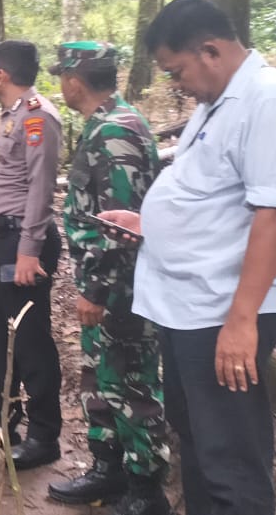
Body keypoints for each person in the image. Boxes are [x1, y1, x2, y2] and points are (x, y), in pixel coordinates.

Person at [100, 0, 276, 515]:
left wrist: (242, 323)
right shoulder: (215, 104)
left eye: (177, 70)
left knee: (230, 455)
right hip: (188, 307)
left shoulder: (270, 101)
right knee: (195, 437)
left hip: (225, 310)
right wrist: (148, 224)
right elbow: (210, 197)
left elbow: (274, 216)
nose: (176, 83)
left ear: (211, 50)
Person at [46, 42, 170, 515]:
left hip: (124, 288)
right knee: (102, 377)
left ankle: (146, 491)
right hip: (108, 284)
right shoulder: (104, 125)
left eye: (63, 76)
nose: (61, 83)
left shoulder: (116, 132)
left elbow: (122, 224)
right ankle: (109, 469)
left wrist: (96, 288)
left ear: (75, 81)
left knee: (132, 385)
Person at [0, 40, 63, 469]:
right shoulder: (12, 115)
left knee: (29, 340)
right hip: (2, 240)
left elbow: (42, 189)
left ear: (1, 74)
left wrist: (29, 252)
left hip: (25, 242)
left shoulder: (36, 117)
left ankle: (45, 436)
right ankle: (2, 420)